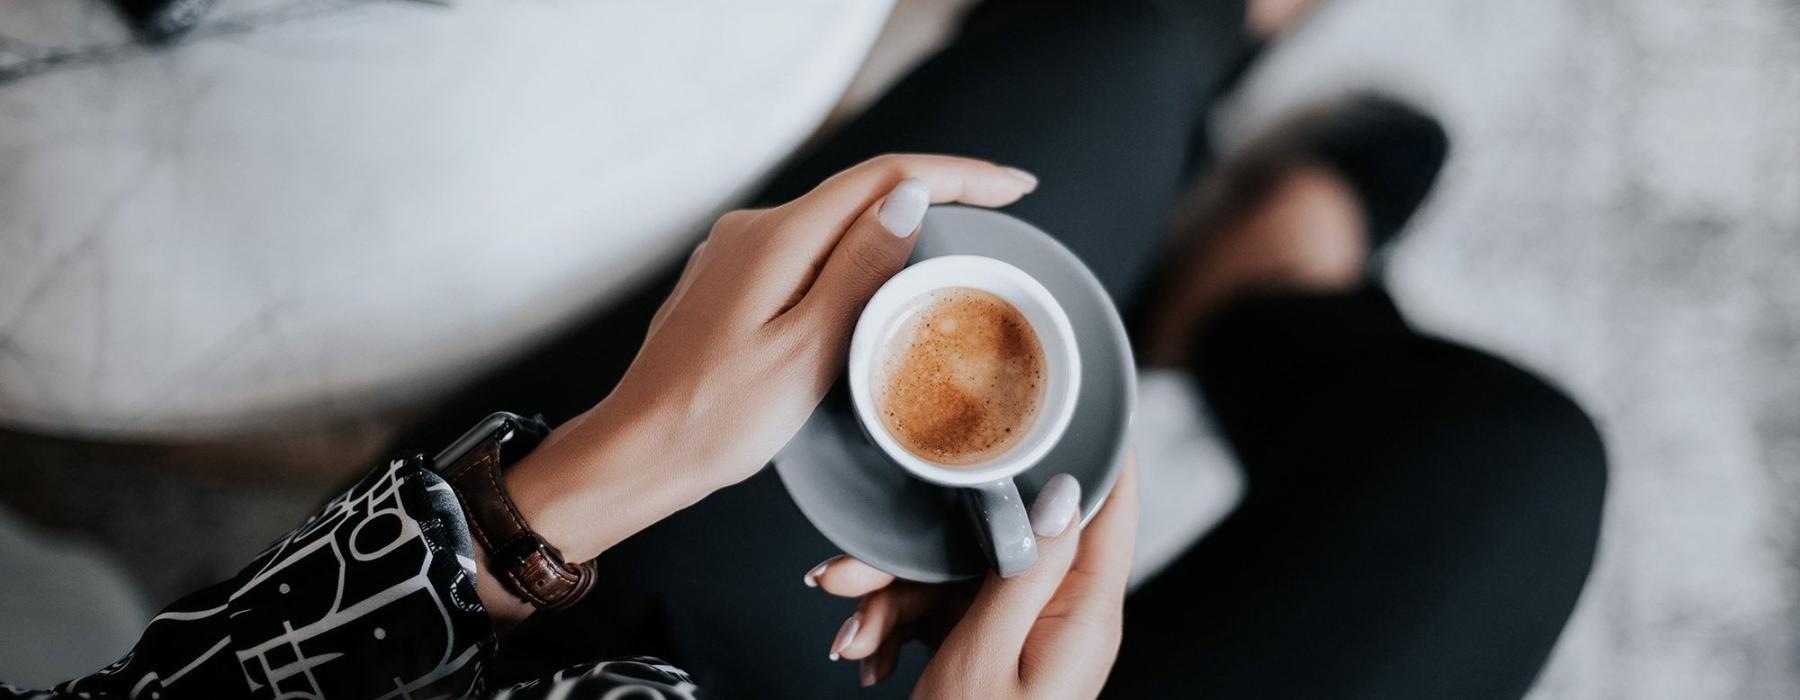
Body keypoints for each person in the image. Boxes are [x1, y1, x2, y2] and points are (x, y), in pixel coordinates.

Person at [4, 0, 1607, 697]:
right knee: (1511, 467)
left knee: (1114, 69)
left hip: (564, 645)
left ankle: (1198, 96)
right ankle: (1257, 305)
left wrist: (568, 487)